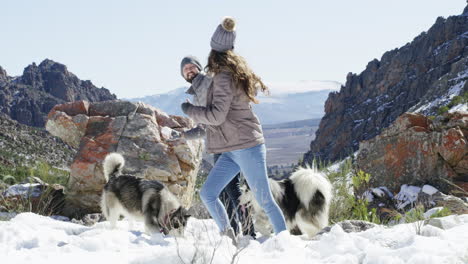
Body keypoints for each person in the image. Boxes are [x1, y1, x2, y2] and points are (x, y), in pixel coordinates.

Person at [180, 17, 287, 242]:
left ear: (213, 55)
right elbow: (215, 120)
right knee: (208, 193)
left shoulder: (222, 78)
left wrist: (190, 110)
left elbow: (216, 116)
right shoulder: (226, 75)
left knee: (265, 199)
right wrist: (185, 135)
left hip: (247, 146)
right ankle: (229, 237)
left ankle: (286, 245)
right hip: (230, 150)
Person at [179, 56, 256, 238]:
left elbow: (216, 116)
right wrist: (184, 135)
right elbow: (204, 127)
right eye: (185, 69)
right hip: (218, 146)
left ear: (198, 68)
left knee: (232, 190)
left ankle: (248, 232)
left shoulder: (209, 84)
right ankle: (233, 233)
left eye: (191, 67)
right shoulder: (196, 91)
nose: (189, 70)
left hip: (230, 143)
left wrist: (195, 113)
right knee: (222, 192)